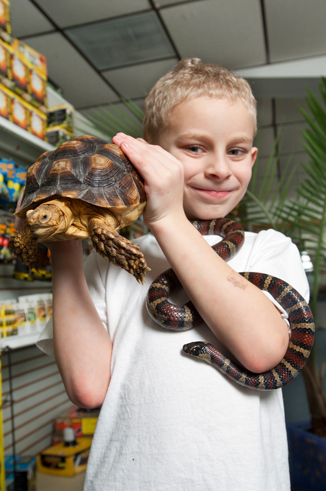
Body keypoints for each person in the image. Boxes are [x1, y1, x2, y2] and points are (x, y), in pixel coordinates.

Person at [35, 58, 309, 490]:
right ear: (149, 155)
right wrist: (66, 243)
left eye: (236, 150)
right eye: (195, 148)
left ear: (252, 157)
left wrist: (166, 219)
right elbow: (87, 388)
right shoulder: (112, 258)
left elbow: (262, 352)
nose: (220, 167)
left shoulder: (270, 248)